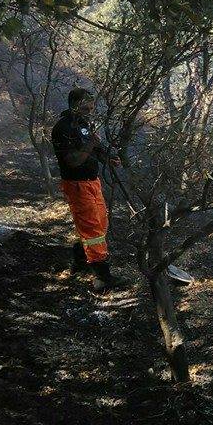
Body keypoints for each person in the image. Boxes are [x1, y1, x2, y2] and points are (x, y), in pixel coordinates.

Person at [51, 88, 128, 292]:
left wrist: (108, 159)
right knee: (93, 229)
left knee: (100, 224)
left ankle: (80, 260)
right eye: (86, 106)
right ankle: (102, 278)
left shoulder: (84, 124)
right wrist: (92, 143)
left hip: (93, 182)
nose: (90, 111)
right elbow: (73, 161)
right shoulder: (62, 128)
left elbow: (94, 149)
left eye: (92, 107)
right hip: (76, 185)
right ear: (74, 104)